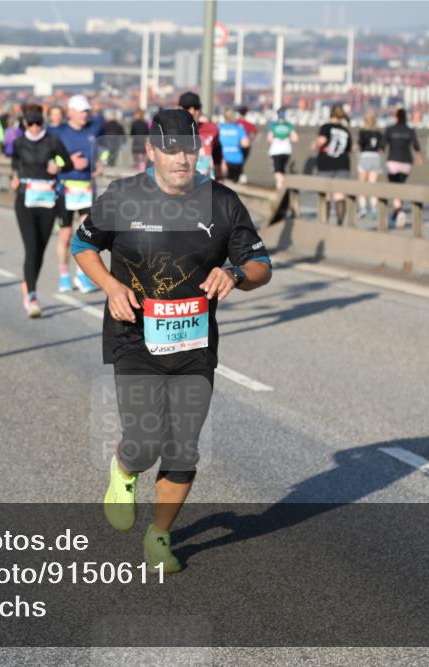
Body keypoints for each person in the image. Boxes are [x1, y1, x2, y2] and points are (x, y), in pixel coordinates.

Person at [72, 108, 272, 574]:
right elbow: (84, 247)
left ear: (198, 150)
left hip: (195, 345)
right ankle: (125, 470)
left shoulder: (222, 202)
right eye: (170, 149)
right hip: (135, 336)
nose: (181, 159)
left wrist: (235, 272)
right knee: (144, 440)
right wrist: (112, 287)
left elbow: (261, 266)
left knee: (183, 447)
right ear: (152, 151)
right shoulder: (124, 196)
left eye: (188, 149)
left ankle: (159, 535)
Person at [10, 106, 73, 317]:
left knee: (41, 250)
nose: (35, 127)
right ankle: (32, 295)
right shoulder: (19, 143)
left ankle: (28, 284)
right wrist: (15, 176)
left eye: (39, 123)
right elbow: (15, 162)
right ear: (25, 124)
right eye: (32, 123)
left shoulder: (53, 141)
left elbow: (68, 162)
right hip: (25, 201)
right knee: (31, 248)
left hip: (48, 202)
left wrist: (58, 167)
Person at [48, 94, 103, 294]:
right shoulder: (58, 132)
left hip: (86, 187)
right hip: (65, 188)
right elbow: (50, 161)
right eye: (81, 111)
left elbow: (104, 149)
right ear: (70, 112)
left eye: (86, 110)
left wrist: (100, 163)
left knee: (85, 234)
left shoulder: (94, 130)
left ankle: (81, 274)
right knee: (66, 234)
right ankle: (64, 275)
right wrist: (68, 161)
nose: (85, 114)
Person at [380, 108, 422, 229]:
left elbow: (382, 145)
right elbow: (416, 146)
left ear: (396, 117)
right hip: (406, 163)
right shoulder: (410, 130)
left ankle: (398, 212)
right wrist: (419, 157)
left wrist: (381, 152)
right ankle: (396, 213)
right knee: (400, 187)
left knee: (394, 188)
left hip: (393, 161)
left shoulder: (390, 130)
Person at [312, 104, 353, 225]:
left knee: (326, 195)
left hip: (326, 163)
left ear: (331, 114)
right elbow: (349, 149)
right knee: (340, 195)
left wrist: (314, 145)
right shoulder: (345, 130)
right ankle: (339, 224)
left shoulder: (326, 127)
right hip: (343, 164)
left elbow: (322, 141)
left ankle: (326, 223)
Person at [178, 91, 224, 182]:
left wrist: (219, 176)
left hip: (205, 184)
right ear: (179, 109)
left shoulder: (212, 129)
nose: (192, 111)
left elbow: (217, 152)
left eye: (196, 107)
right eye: (187, 107)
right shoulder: (169, 131)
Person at [356, 110, 383, 220]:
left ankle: (362, 208)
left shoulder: (362, 132)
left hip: (365, 157)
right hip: (376, 158)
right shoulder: (378, 133)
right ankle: (374, 208)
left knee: (361, 185)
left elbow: (360, 145)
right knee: (373, 186)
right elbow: (382, 148)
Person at [267, 107, 298, 190]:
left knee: (277, 170)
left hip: (276, 150)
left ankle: (283, 186)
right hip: (287, 149)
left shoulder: (273, 125)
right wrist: (286, 138)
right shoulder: (289, 125)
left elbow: (269, 139)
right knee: (282, 169)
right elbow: (295, 138)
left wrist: (277, 138)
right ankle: (279, 186)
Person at [218, 109, 248, 182]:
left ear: (224, 117)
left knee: (223, 183)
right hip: (236, 159)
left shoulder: (219, 128)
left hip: (222, 159)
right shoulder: (238, 128)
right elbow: (246, 144)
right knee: (234, 183)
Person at [235, 106, 258, 184]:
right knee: (242, 161)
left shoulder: (235, 123)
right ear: (246, 113)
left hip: (235, 146)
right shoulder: (249, 124)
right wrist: (250, 140)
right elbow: (254, 133)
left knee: (237, 161)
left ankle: (238, 175)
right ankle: (240, 175)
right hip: (246, 146)